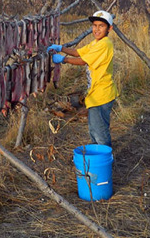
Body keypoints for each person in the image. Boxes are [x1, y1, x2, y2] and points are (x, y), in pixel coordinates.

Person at [47, 10, 119, 149]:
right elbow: (79, 52)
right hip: (95, 94)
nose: (97, 29)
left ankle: (104, 162)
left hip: (102, 95)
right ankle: (96, 158)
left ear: (109, 28)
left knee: (100, 133)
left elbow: (82, 61)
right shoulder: (96, 43)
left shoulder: (105, 44)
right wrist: (61, 48)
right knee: (94, 130)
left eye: (101, 26)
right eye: (95, 25)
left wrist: (63, 59)